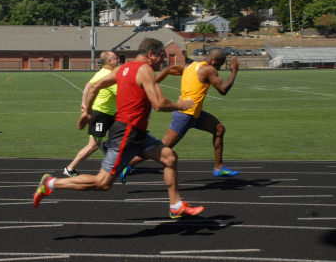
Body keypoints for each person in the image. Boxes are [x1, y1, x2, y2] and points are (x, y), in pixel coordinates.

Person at [33, 38, 204, 218]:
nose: (163, 62)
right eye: (162, 57)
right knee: (103, 182)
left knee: (169, 157)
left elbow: (95, 86)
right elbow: (159, 104)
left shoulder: (123, 68)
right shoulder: (145, 70)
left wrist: (87, 111)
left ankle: (176, 206)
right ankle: (51, 183)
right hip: (127, 132)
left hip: (137, 133)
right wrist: (181, 105)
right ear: (151, 55)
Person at [121, 48, 240, 183]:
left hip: (195, 114)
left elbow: (169, 69)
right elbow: (223, 89)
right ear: (214, 60)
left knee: (219, 128)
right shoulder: (209, 69)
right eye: (219, 65)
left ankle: (219, 167)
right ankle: (129, 163)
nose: (218, 69)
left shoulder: (190, 66)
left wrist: (153, 83)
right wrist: (234, 72)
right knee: (163, 147)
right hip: (185, 116)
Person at [62, 51, 118, 177]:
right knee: (93, 145)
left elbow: (88, 85)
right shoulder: (108, 76)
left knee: (122, 134)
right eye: (115, 58)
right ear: (109, 61)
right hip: (100, 115)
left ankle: (108, 149)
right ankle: (70, 168)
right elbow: (122, 93)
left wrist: (83, 102)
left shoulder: (101, 73)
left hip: (109, 114)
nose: (118, 60)